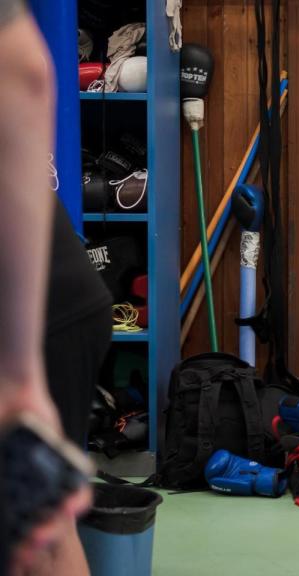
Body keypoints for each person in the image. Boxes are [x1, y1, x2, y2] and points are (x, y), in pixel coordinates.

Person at [0, 2, 112, 574]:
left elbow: (23, 70)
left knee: (35, 535)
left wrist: (18, 372)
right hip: (51, 296)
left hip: (37, 303)